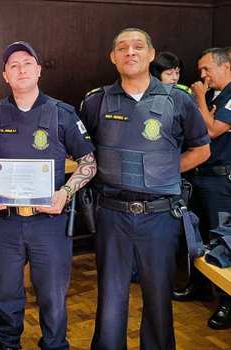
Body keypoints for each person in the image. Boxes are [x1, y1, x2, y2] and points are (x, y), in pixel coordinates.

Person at [79, 28, 210, 349]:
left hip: (160, 217)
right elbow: (85, 152)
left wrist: (163, 170)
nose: (130, 52)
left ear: (151, 54)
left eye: (138, 47)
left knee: (158, 298)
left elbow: (201, 150)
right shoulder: (96, 101)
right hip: (111, 215)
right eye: (122, 48)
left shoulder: (178, 99)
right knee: (110, 297)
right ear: (113, 57)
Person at [0, 41, 97, 350]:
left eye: (27, 63)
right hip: (5, 222)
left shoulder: (62, 113)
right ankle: (8, 344)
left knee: (52, 294)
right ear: (5, 75)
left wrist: (65, 192)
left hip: (49, 223)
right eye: (13, 65)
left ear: (38, 70)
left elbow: (89, 163)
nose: (21, 69)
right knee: (6, 292)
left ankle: (54, 344)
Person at [189, 47, 231, 330]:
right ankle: (201, 287)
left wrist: (200, 100)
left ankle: (228, 304)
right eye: (200, 70)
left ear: (226, 66)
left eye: (207, 69)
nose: (202, 75)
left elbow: (213, 129)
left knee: (223, 240)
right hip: (201, 176)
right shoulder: (215, 95)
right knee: (200, 236)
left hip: (221, 180)